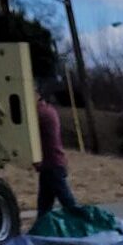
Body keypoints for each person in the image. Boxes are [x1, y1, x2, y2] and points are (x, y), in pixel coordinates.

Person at [35, 93, 82, 222]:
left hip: (52, 164)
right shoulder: (49, 110)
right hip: (51, 164)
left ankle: (81, 223)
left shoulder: (41, 113)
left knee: (67, 202)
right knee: (44, 205)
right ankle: (41, 229)